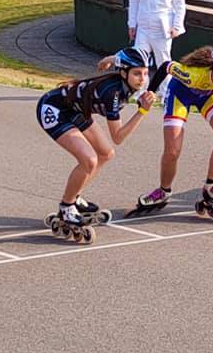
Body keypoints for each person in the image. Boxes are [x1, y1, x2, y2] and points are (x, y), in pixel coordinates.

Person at [104, 38, 213, 222]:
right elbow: (164, 67)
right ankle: (163, 191)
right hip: (181, 93)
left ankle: (211, 186)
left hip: (209, 96)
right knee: (173, 150)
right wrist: (151, 91)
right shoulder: (192, 74)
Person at [36, 46, 155, 241]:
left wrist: (108, 59)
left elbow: (117, 58)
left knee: (105, 153)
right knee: (89, 160)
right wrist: (142, 111)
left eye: (145, 73)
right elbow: (118, 137)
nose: (142, 79)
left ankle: (75, 197)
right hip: (54, 109)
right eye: (136, 74)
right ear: (123, 73)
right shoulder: (114, 94)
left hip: (76, 110)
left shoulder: (125, 83)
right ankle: (67, 206)